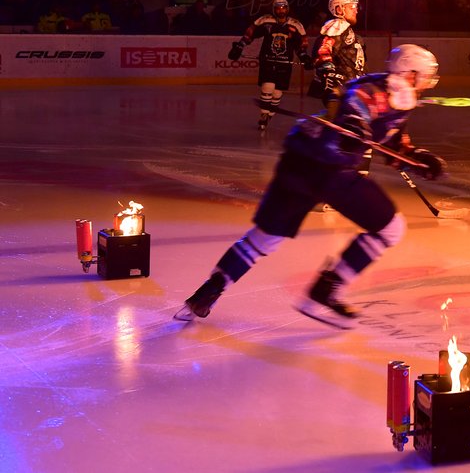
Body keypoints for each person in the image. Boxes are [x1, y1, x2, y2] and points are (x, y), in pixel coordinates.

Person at [175, 45, 445, 328]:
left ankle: (206, 294)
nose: (427, 82)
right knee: (391, 228)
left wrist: (417, 158)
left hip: (298, 162)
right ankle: (323, 292)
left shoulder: (399, 97)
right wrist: (354, 128)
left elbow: (390, 140)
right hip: (328, 171)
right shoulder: (374, 92)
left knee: (266, 237)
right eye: (425, 76)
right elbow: (357, 107)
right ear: (410, 74)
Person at [228, 0, 312, 130]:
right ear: (273, 9)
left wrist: (304, 56)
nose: (281, 11)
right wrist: (239, 46)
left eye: (283, 8)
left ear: (287, 9)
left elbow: (301, 44)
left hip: (284, 62)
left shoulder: (296, 25)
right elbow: (250, 34)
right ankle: (263, 114)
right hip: (267, 59)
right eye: (278, 8)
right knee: (267, 87)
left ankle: (270, 113)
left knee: (278, 92)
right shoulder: (265, 21)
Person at [311, 0, 366, 105]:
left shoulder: (353, 34)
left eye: (356, 7)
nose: (356, 10)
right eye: (352, 7)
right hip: (341, 90)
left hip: (354, 88)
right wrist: (330, 75)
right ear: (339, 9)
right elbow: (324, 52)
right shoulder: (337, 26)